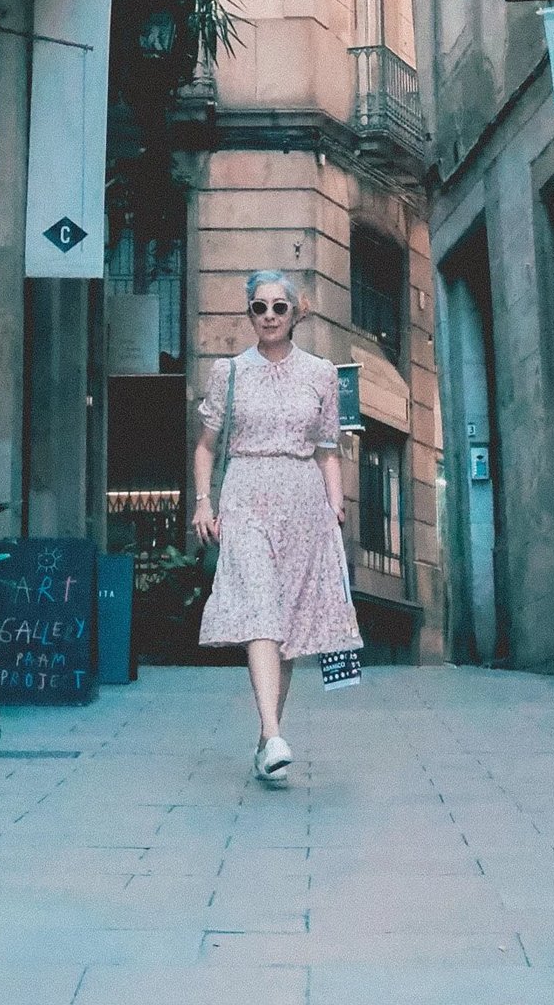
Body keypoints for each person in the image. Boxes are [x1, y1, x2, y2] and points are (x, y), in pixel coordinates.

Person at [191, 270, 363, 783]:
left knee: (283, 626)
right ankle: (273, 733)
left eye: (278, 307)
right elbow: (205, 446)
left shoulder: (321, 374)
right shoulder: (230, 372)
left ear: (296, 312)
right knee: (260, 610)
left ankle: (268, 740)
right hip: (244, 495)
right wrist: (204, 502)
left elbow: (328, 450)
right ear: (249, 314)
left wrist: (335, 506)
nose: (268, 316)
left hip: (302, 501)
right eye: (259, 308)